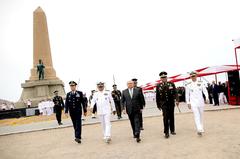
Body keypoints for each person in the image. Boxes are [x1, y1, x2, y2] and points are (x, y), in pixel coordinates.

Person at [156, 71, 179, 138]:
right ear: (160, 78)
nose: (163, 78)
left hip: (171, 103)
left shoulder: (171, 84)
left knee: (171, 116)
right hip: (164, 104)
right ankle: (166, 132)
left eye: (164, 77)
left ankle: (172, 130)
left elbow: (175, 92)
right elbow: (157, 96)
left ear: (166, 77)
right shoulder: (158, 86)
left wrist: (177, 100)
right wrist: (158, 105)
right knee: (165, 117)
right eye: (162, 78)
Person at [185, 71, 209, 136]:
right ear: (190, 77)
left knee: (201, 115)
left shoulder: (201, 83)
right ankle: (199, 128)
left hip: (201, 101)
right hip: (193, 102)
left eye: (194, 76)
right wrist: (188, 102)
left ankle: (201, 127)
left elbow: (205, 91)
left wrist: (207, 98)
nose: (193, 77)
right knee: (196, 115)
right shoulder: (188, 85)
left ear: (196, 76)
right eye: (192, 76)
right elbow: (187, 94)